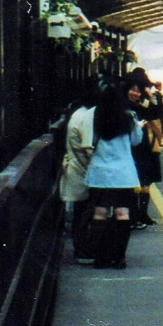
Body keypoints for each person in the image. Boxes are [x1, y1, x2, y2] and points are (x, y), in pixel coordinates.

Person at [84, 77, 145, 269]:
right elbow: (136, 141)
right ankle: (118, 257)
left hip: (100, 174)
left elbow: (90, 142)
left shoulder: (94, 116)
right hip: (123, 175)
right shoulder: (129, 117)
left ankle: (100, 257)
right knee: (122, 213)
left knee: (100, 213)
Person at [60, 93, 98, 261]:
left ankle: (82, 248)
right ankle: (82, 250)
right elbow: (87, 148)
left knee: (81, 211)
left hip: (76, 168)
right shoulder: (85, 117)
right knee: (84, 212)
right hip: (81, 170)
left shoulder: (78, 114)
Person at [127, 68, 163, 226]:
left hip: (141, 146)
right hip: (144, 146)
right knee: (144, 182)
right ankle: (141, 215)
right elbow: (156, 117)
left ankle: (138, 215)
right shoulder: (142, 104)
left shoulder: (137, 103)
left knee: (140, 182)